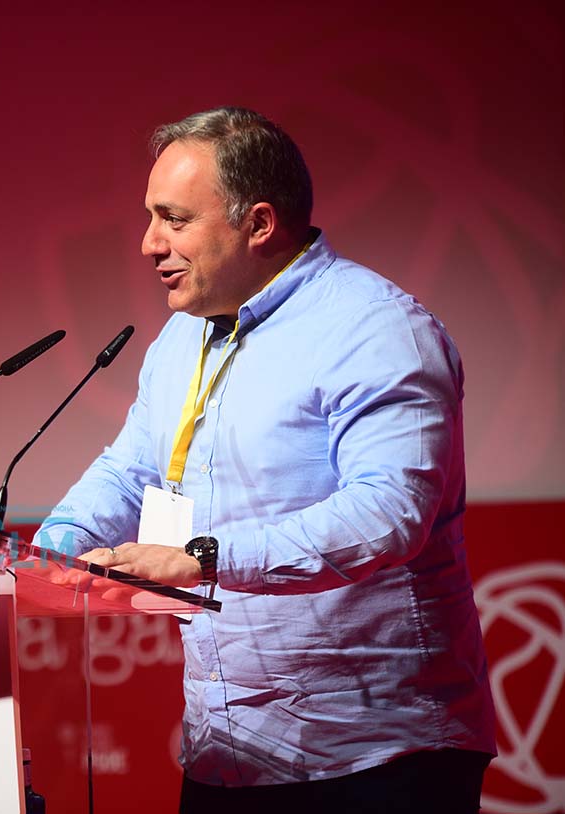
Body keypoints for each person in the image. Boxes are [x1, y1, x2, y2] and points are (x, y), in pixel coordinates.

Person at [35, 107, 496, 812]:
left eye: (173, 219)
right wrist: (55, 546)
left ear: (257, 223)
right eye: (150, 217)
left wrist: (202, 557)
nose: (148, 243)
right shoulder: (180, 340)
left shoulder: (375, 330)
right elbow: (131, 471)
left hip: (375, 756)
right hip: (228, 752)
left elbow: (388, 513)